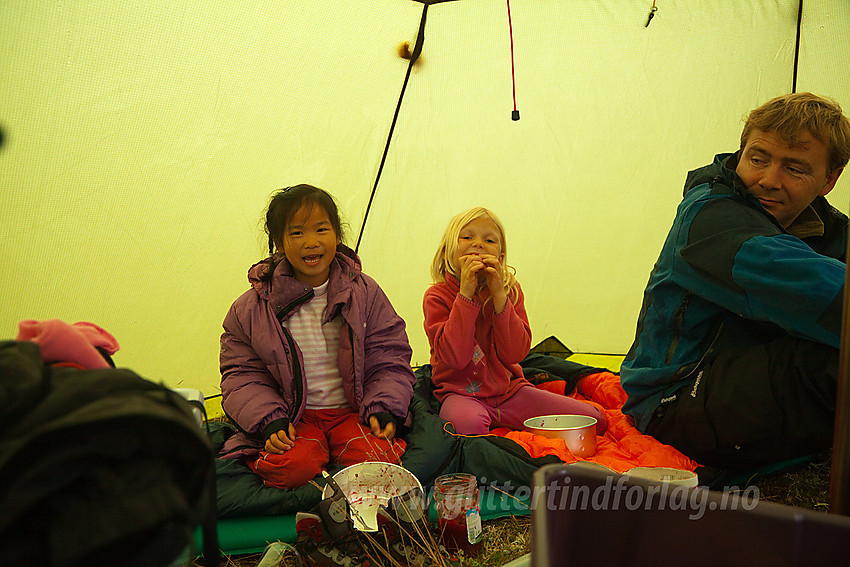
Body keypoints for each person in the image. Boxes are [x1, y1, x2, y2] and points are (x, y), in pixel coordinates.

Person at [621, 92, 850, 469]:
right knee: (836, 365)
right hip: (674, 398)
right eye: (758, 159)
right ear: (740, 153)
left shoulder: (832, 230)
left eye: (794, 168)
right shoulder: (708, 217)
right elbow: (814, 287)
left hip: (754, 376)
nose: (767, 180)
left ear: (829, 180)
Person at [218, 184, 415, 489]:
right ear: (279, 243)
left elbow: (389, 354)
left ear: (337, 235)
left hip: (352, 412)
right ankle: (285, 456)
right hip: (295, 418)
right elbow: (241, 374)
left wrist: (383, 406)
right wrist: (270, 420)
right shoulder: (253, 307)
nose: (311, 242)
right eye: (297, 233)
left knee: (380, 461)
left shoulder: (364, 292)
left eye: (321, 229)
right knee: (290, 467)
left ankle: (336, 454)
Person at [423, 207, 607, 436]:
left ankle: (508, 421)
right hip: (461, 394)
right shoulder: (437, 296)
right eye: (467, 237)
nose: (478, 244)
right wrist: (465, 296)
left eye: (489, 240)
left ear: (500, 257)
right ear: (446, 252)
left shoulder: (511, 291)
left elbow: (515, 354)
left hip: (510, 392)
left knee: (594, 420)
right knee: (466, 425)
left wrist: (500, 296)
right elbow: (456, 357)